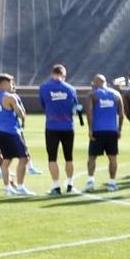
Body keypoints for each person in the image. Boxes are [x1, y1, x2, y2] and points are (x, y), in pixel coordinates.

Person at [38, 63, 78, 195]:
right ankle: (70, 184)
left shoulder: (44, 87)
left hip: (52, 126)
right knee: (69, 157)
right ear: (64, 75)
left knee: (52, 158)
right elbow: (75, 107)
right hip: (68, 126)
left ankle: (56, 187)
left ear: (52, 73)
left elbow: (43, 105)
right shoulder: (71, 89)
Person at [0, 74, 35, 196]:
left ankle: (8, 189)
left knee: (6, 160)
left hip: (0, 132)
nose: (12, 86)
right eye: (10, 83)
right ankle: (20, 187)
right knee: (24, 158)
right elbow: (22, 114)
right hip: (12, 132)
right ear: (3, 84)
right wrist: (19, 106)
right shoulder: (10, 97)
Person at [84, 75, 125, 193]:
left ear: (97, 82)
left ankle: (90, 182)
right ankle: (112, 183)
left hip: (98, 130)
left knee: (92, 157)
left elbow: (89, 113)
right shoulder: (116, 94)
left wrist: (90, 129)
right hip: (112, 130)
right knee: (112, 157)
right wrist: (119, 129)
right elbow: (121, 114)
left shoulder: (92, 94)